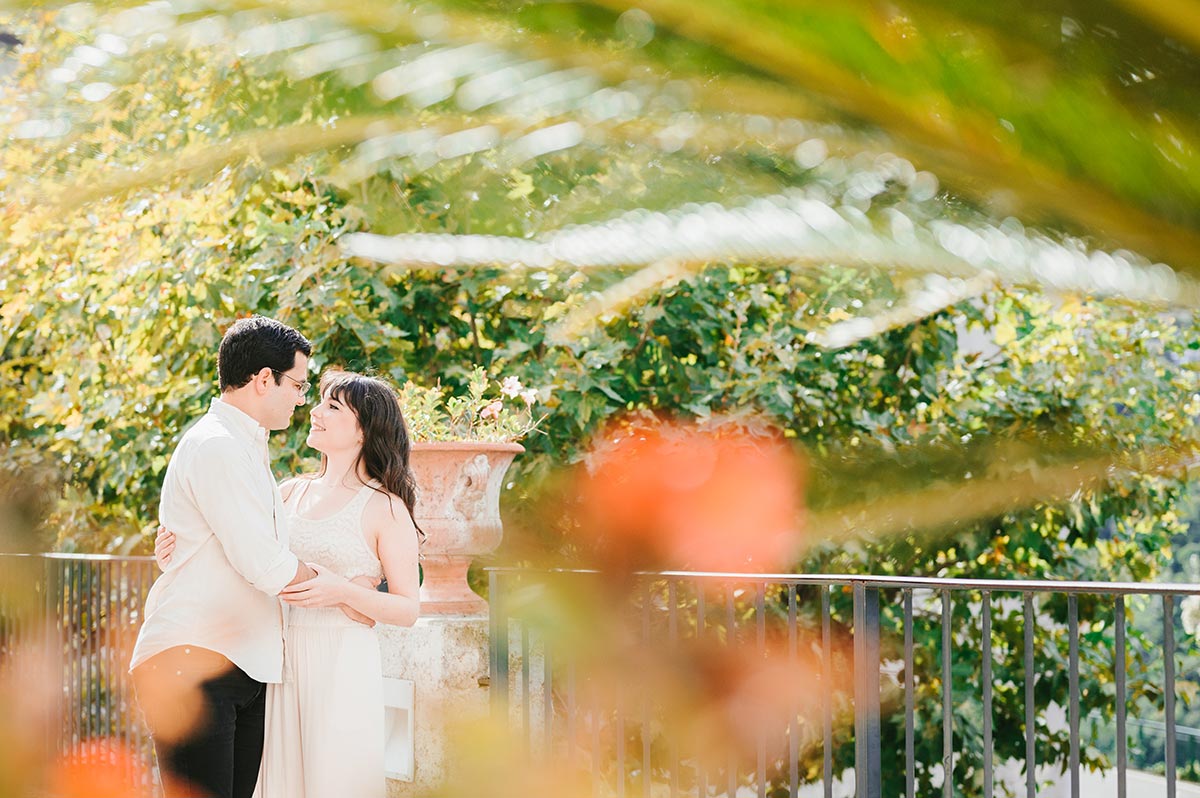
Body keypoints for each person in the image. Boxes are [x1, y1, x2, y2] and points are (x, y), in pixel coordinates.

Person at [156, 370, 422, 798]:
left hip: (341, 665)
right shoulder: (287, 492)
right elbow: (238, 549)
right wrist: (176, 547)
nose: (312, 412)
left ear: (363, 431)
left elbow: (409, 608)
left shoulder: (385, 507)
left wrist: (345, 592)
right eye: (316, 401)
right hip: (274, 664)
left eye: (331, 407)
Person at [130, 315, 341, 798]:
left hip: (238, 664)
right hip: (195, 661)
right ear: (264, 379)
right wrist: (336, 584)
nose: (300, 398)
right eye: (298, 385)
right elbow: (262, 562)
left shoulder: (244, 449)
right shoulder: (218, 447)